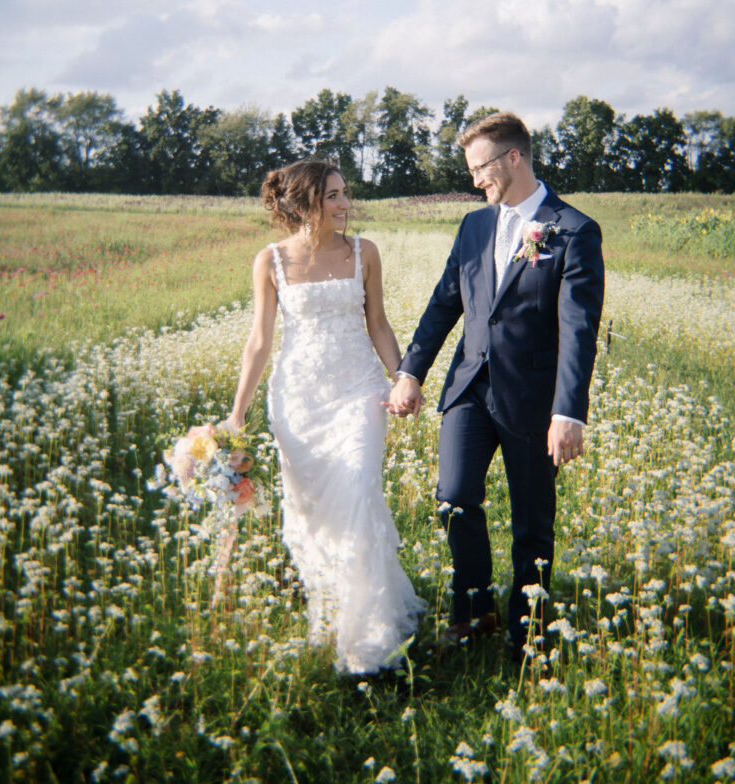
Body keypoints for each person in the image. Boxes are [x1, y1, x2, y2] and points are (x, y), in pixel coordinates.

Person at [387, 112, 604, 657]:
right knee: (454, 498)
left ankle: (526, 630)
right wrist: (412, 371)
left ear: (514, 158)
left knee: (532, 519)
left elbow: (578, 329)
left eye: (481, 167)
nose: (475, 180)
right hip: (469, 389)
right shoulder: (474, 226)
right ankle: (474, 609)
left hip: (532, 399)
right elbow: (445, 303)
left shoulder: (573, 230)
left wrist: (568, 413)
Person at [218, 160, 423, 675]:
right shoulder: (269, 261)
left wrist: (402, 377)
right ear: (303, 203)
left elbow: (377, 323)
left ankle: (370, 640)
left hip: (359, 393)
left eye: (344, 194)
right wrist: (236, 414)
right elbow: (260, 341)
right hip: (298, 403)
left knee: (357, 494)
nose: (344, 205)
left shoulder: (365, 252)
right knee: (312, 514)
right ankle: (331, 612)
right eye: (332, 196)